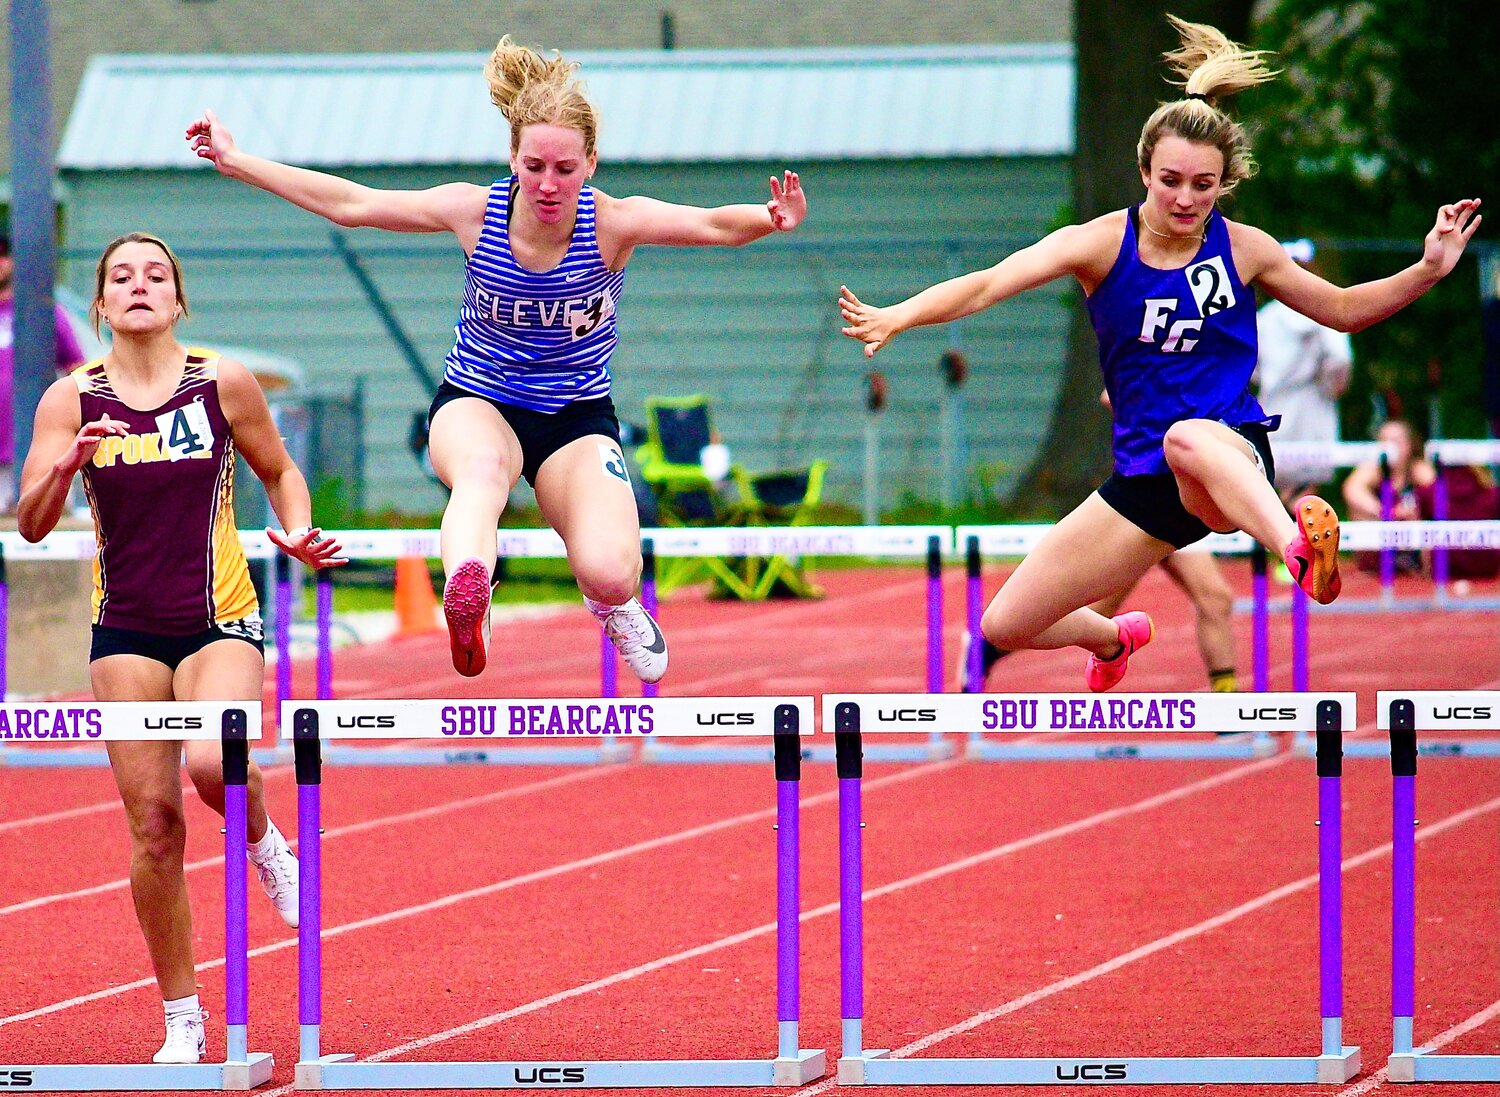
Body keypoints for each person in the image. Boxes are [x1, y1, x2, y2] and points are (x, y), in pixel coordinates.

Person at [840, 15, 1480, 691]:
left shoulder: (1243, 247)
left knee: (1188, 438)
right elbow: (991, 283)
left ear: (1223, 186)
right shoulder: (1098, 245)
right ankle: (1114, 638)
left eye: (1203, 186)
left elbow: (1344, 310)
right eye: (1171, 180)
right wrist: (899, 315)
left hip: (1225, 458)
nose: (1185, 198)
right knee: (1006, 623)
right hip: (1145, 478)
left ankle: (1294, 547)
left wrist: (1428, 269)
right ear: (1144, 170)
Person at [185, 35, 807, 683]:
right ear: (512, 157)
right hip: (476, 399)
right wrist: (239, 162)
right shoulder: (476, 212)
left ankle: (613, 604)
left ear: (590, 163)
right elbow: (354, 205)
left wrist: (770, 216)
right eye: (534, 165)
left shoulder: (615, 223)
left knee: (609, 566)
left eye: (564, 169)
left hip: (575, 416)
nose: (547, 184)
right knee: (482, 473)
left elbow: (711, 225)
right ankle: (470, 597)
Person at [16, 232, 347, 1065]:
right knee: (155, 827)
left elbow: (278, 471)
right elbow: (29, 521)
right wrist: (64, 468)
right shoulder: (70, 398)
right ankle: (184, 1015)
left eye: (155, 275)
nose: (138, 286)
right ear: (98, 303)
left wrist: (299, 527)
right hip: (124, 628)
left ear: (177, 299)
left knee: (211, 763)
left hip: (217, 615)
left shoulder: (220, 383)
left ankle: (267, 840)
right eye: (120, 276)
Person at [1254, 239, 1354, 502]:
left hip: (1274, 406)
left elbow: (1248, 365)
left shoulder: (1264, 318)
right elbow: (1340, 359)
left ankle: (1281, 539)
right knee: (1309, 492)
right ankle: (1303, 541)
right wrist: (1332, 387)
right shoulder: (1326, 312)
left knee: (1273, 482)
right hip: (1313, 405)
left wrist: (1269, 380)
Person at [0, 226, 89, 512]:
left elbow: (79, 372)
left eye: (2, 255)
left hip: (39, 450)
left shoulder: (42, 313)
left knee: (50, 535)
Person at [1343, 417, 1434, 575]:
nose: (1390, 447)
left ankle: (1427, 571)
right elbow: (1351, 489)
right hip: (1379, 539)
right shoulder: (1372, 468)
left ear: (1409, 445)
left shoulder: (1418, 469)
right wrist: (1385, 512)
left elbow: (1437, 499)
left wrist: (1413, 512)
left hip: (1411, 542)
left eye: (1395, 441)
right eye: (1384, 441)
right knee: (1359, 513)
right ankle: (1374, 564)